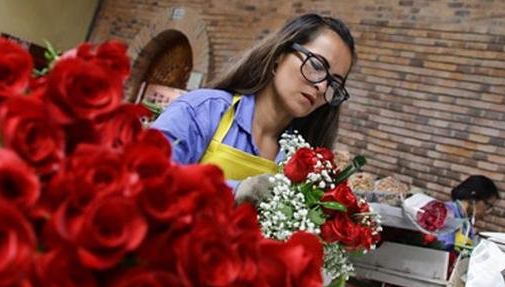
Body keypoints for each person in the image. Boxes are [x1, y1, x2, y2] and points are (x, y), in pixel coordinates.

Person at [150, 14, 356, 203]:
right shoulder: (202, 110)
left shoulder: (304, 159)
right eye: (318, 66)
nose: (322, 87)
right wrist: (235, 190)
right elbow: (145, 178)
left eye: (334, 84)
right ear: (279, 55)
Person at [438, 175, 500, 252]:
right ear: (474, 197)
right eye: (488, 206)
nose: (486, 213)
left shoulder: (466, 223)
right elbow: (443, 248)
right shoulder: (447, 213)